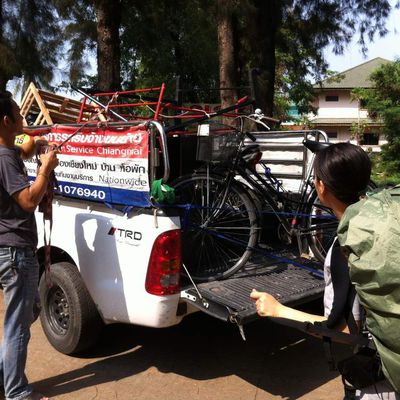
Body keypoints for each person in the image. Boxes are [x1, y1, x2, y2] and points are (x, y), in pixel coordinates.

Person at [250, 142, 399, 399]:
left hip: (385, 378)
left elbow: (342, 331)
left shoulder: (348, 246)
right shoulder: (388, 218)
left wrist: (277, 309)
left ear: (321, 187)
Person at [0, 91, 59, 400]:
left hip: (10, 249)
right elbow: (27, 200)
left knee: (28, 311)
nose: (24, 120)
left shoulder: (8, 153)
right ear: (6, 121)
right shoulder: (4, 158)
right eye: (19, 116)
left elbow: (20, 152)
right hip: (15, 251)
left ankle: (4, 375)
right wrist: (45, 169)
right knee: (18, 325)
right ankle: (18, 393)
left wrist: (36, 148)